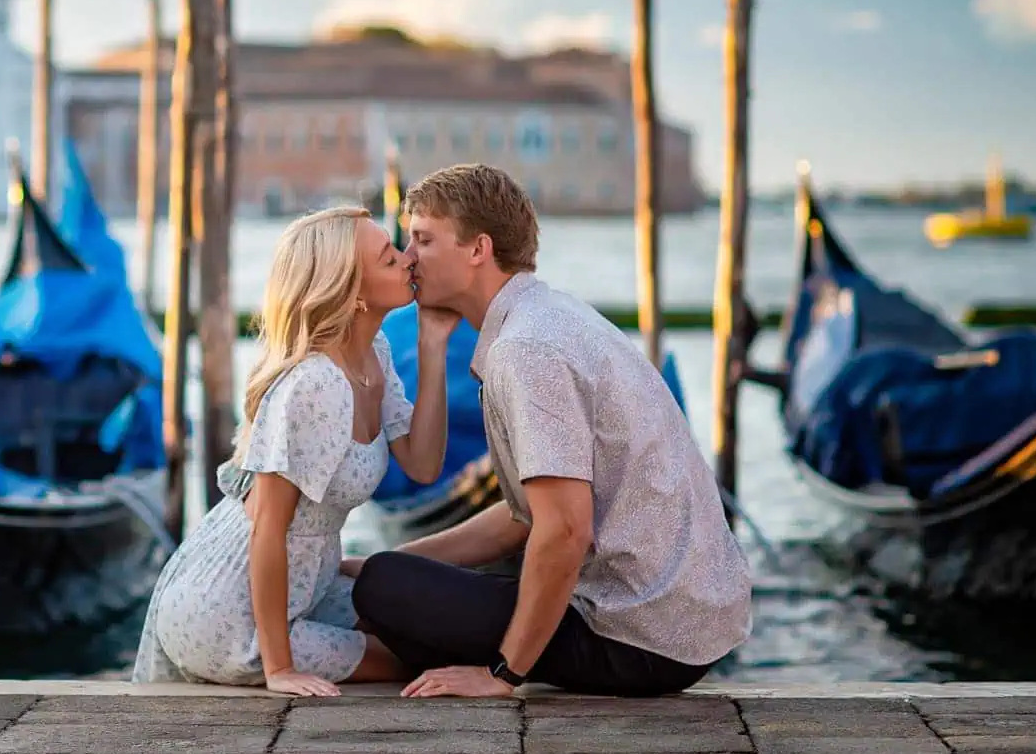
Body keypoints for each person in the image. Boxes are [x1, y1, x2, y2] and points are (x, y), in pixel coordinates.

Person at [349, 164, 751, 698]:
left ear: (478, 250)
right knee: (391, 573)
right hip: (681, 627)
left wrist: (503, 675)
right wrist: (407, 557)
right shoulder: (546, 317)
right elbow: (526, 518)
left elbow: (563, 532)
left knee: (383, 591)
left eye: (422, 239)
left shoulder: (525, 351)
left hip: (638, 639)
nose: (409, 257)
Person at [131, 205, 460, 696]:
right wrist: (279, 667)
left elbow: (423, 463)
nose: (407, 257)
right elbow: (268, 526)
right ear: (349, 291)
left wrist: (433, 344)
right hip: (230, 609)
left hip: (307, 588)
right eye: (388, 257)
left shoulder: (375, 355)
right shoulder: (316, 385)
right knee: (407, 661)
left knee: (432, 631)